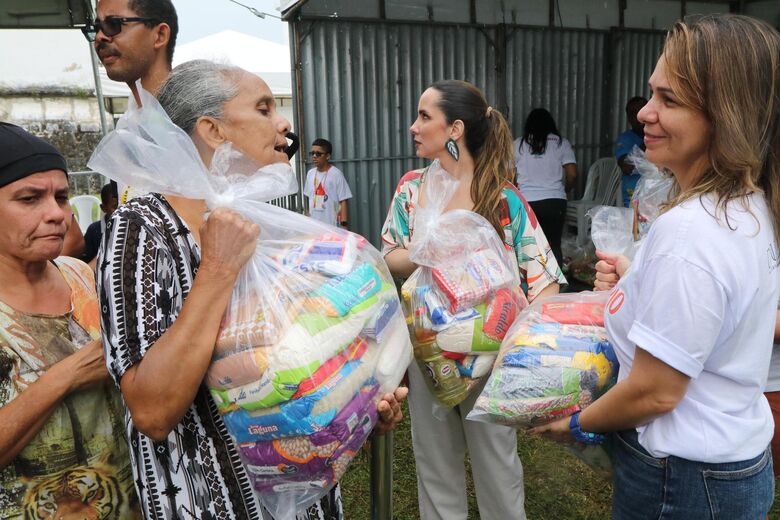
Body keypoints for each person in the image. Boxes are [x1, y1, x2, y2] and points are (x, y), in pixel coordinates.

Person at [97, 60, 407, 520]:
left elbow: (300, 366)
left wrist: (356, 405)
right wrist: (219, 268)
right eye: (264, 108)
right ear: (212, 130)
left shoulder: (268, 223)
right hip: (213, 499)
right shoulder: (142, 227)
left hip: (306, 497)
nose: (283, 122)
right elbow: (152, 410)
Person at [532, 14, 780, 518]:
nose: (645, 112)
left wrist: (578, 423)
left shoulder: (691, 230)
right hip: (725, 465)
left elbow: (656, 391)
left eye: (669, 100)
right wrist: (639, 278)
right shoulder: (748, 205)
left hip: (683, 479)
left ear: (724, 115)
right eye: (652, 94)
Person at [381, 80, 566, 520]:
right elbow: (390, 254)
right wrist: (427, 251)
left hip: (490, 359)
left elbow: (546, 280)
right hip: (426, 354)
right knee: (435, 467)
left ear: (455, 128)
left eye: (425, 116)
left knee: (497, 466)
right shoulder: (411, 189)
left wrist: (522, 347)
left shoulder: (502, 199)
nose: (413, 126)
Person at [0, 122, 140, 518]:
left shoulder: (79, 275)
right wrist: (67, 375)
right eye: (29, 199)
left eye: (61, 197)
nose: (57, 214)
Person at [513, 108, 577, 266]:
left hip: (527, 203)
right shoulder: (561, 143)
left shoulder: (518, 144)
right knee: (554, 244)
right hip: (555, 202)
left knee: (528, 247)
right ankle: (557, 286)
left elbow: (509, 176)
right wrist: (565, 190)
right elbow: (572, 174)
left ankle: (532, 285)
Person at [86, 0, 177, 96]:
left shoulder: (187, 109)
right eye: (96, 29)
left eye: (113, 24)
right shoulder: (141, 109)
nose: (98, 37)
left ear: (159, 35)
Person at [303, 138, 352, 228]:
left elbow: (343, 200)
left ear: (328, 156)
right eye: (312, 153)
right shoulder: (310, 174)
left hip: (332, 226)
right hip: (313, 226)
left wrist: (344, 225)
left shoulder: (336, 174)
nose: (314, 156)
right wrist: (307, 220)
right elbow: (308, 199)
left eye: (318, 154)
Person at [614, 96, 648, 207]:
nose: (639, 117)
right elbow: (626, 167)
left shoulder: (664, 137)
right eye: (634, 113)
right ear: (629, 118)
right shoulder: (625, 139)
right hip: (634, 198)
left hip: (658, 196)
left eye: (642, 111)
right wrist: (649, 140)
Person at [82, 183, 119, 266]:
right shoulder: (94, 230)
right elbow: (86, 261)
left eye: (124, 205)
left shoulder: (131, 227)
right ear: (103, 208)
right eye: (115, 207)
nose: (121, 210)